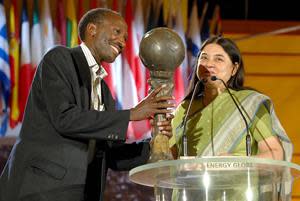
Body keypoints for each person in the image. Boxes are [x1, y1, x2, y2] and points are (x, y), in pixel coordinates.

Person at [0, 8, 174, 201]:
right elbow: (65, 118)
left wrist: (156, 145)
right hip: (41, 189)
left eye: (125, 38)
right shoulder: (60, 59)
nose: (123, 42)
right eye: (117, 32)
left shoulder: (105, 92)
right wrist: (131, 114)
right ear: (92, 29)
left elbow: (110, 154)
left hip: (83, 193)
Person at [168, 36, 293, 200]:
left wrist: (233, 163)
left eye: (218, 59)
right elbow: (169, 161)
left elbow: (275, 155)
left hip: (238, 194)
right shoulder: (184, 109)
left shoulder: (248, 104)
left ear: (234, 69)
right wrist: (158, 138)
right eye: (204, 57)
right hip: (192, 194)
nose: (209, 64)